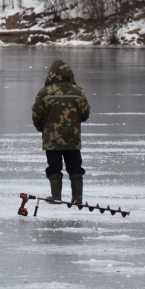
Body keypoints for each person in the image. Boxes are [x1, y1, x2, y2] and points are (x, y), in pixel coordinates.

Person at [31, 60, 90, 204]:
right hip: (72, 137)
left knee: (54, 167)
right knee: (75, 167)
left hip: (52, 139)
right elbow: (85, 114)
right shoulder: (78, 91)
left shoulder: (44, 92)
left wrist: (43, 129)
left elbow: (36, 114)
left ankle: (56, 196)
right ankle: (77, 198)